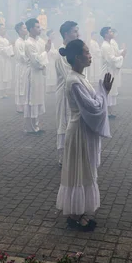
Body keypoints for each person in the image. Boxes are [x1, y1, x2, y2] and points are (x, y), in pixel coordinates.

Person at [56, 39, 113, 231]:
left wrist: (102, 92)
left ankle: (80, 212)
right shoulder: (73, 81)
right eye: (87, 53)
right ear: (78, 57)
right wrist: (103, 92)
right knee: (78, 172)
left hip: (84, 129)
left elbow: (94, 102)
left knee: (85, 170)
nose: (90, 56)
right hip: (79, 130)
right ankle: (75, 215)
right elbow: (93, 106)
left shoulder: (80, 77)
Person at [55, 21, 79, 165]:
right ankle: (63, 156)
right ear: (66, 34)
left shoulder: (72, 52)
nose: (78, 34)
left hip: (75, 94)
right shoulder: (61, 54)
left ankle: (73, 154)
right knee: (64, 124)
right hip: (65, 95)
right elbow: (70, 76)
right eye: (75, 31)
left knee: (73, 123)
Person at [24, 18, 51, 134]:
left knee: (38, 98)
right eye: (37, 27)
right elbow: (35, 61)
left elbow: (42, 57)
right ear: (31, 29)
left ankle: (36, 125)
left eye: (39, 27)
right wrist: (46, 52)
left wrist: (46, 51)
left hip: (39, 74)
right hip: (33, 74)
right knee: (32, 99)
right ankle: (30, 127)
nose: (39, 29)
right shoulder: (29, 43)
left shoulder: (39, 41)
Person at [100, 27, 125, 118]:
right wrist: (121, 57)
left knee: (111, 91)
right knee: (108, 92)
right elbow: (111, 59)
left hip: (111, 71)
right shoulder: (105, 46)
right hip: (107, 71)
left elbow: (115, 54)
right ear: (106, 34)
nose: (112, 33)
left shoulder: (110, 44)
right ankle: (106, 111)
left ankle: (110, 111)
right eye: (110, 32)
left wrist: (121, 52)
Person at [0, 24, 14, 99]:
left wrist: (11, 51)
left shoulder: (6, 40)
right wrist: (10, 49)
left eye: (4, 29)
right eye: (2, 29)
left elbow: (8, 48)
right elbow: (2, 50)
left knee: (6, 75)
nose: (4, 30)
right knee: (1, 75)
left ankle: (5, 92)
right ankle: (0, 93)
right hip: (1, 59)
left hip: (6, 59)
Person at [14, 22, 29, 113]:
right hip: (22, 66)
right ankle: (19, 105)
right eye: (24, 28)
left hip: (26, 66)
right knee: (20, 85)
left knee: (25, 85)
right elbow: (22, 56)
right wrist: (30, 59)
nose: (26, 30)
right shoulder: (18, 42)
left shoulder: (25, 41)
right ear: (19, 30)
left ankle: (25, 104)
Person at [46, 30, 58, 94]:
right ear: (49, 35)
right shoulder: (47, 41)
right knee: (49, 73)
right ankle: (48, 88)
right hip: (48, 60)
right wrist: (55, 52)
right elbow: (49, 51)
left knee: (52, 73)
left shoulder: (52, 43)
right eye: (53, 34)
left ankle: (52, 88)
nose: (54, 36)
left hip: (52, 60)